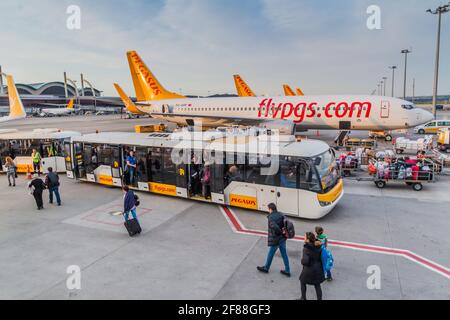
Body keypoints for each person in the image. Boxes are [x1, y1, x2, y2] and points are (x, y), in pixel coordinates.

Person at [257, 203, 291, 277]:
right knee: (284, 254)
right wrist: (283, 233)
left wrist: (280, 232)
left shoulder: (271, 217)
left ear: (270, 209)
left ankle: (266, 268)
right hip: (282, 239)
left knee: (270, 254)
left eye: (268, 209)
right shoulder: (281, 214)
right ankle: (287, 270)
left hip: (276, 239)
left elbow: (274, 227)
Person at [299, 232, 325, 300]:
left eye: (304, 237)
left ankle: (303, 298)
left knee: (302, 281)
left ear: (307, 239)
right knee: (317, 285)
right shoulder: (318, 246)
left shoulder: (306, 248)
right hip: (318, 268)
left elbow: (305, 261)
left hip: (309, 269)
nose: (303, 238)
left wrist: (302, 261)